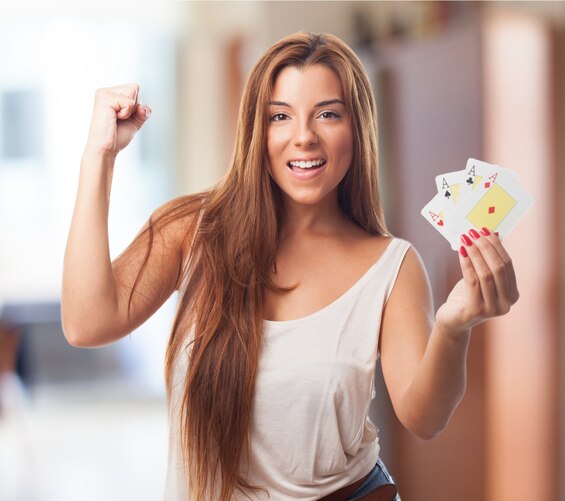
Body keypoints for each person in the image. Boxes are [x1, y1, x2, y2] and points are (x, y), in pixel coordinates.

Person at [61, 32, 519, 501]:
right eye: (280, 116)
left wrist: (454, 325)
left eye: (327, 114)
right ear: (257, 131)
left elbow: (424, 417)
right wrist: (99, 157)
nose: (304, 136)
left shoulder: (393, 266)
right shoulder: (190, 230)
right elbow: (86, 323)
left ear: (356, 128)